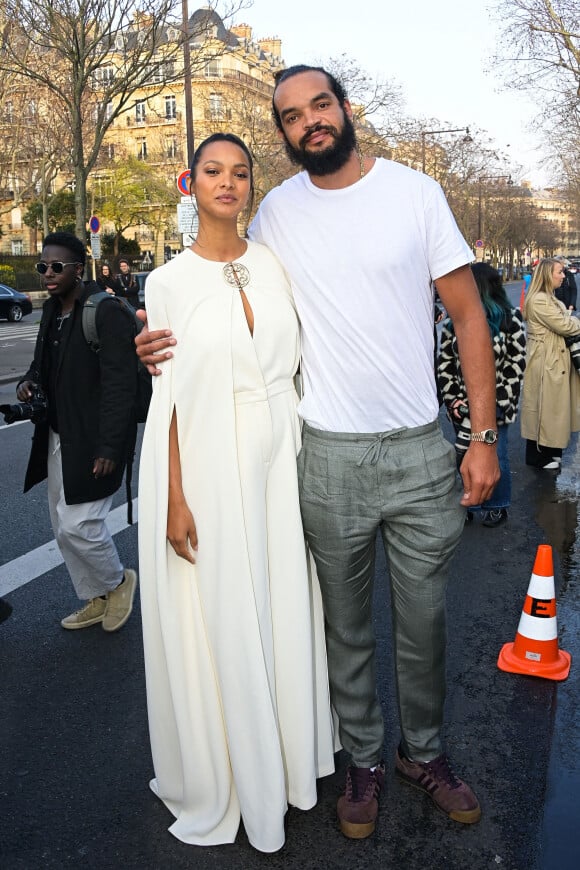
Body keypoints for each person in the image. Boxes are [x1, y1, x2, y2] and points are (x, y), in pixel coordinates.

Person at [136, 66, 499, 839]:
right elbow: (225, 293)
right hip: (325, 453)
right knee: (342, 626)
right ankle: (363, 760)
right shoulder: (275, 216)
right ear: (285, 133)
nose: (311, 123)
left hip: (417, 451)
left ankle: (423, 754)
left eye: (320, 106)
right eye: (293, 116)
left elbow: (470, 318)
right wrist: (158, 344)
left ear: (343, 108)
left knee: (425, 620)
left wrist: (482, 436)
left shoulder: (414, 193)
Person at [137, 133, 335, 854]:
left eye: (240, 172)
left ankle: (288, 758)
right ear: (192, 184)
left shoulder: (277, 265)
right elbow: (170, 405)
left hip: (285, 453)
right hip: (212, 463)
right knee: (226, 611)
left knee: (283, 601)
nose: (228, 182)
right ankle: (237, 771)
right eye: (213, 172)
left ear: (253, 184)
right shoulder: (166, 282)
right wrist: (174, 498)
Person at [17, 232, 138, 632]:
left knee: (79, 525)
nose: (48, 274)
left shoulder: (105, 312)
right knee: (60, 524)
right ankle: (96, 595)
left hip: (94, 439)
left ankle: (119, 582)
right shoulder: (52, 311)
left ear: (78, 269)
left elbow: (122, 386)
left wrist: (111, 446)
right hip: (58, 435)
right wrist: (30, 381)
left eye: (56, 267)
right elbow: (42, 364)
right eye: (42, 267)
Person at [438, 263, 526, 527]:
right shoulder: (454, 323)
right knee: (462, 452)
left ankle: (496, 504)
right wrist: (453, 399)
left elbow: (516, 365)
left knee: (495, 452)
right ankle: (467, 502)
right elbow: (445, 364)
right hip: (461, 406)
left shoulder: (511, 319)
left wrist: (498, 402)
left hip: (496, 405)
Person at [521, 257, 580, 470]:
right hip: (545, 359)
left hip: (552, 356)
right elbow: (565, 324)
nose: (564, 276)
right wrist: (574, 320)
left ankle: (551, 450)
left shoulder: (547, 297)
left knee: (554, 407)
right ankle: (539, 455)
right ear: (548, 275)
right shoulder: (539, 300)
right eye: (560, 272)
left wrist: (570, 320)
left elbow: (565, 321)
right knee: (544, 405)